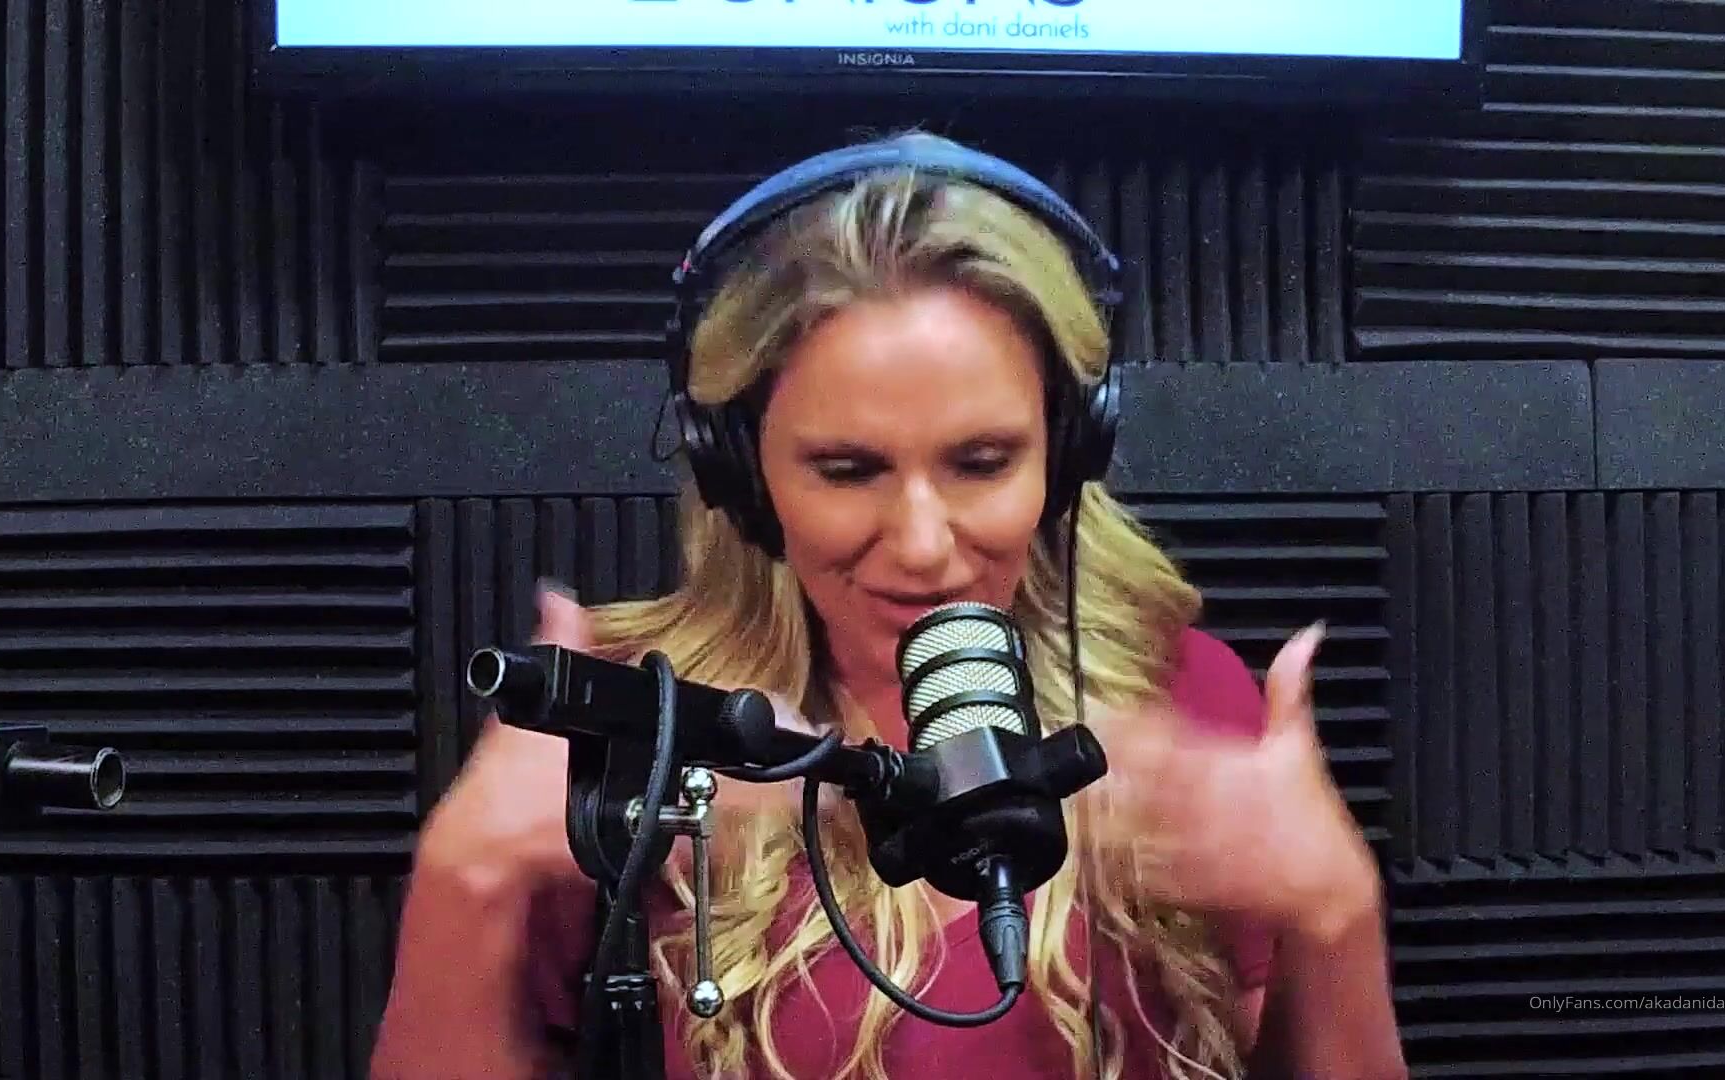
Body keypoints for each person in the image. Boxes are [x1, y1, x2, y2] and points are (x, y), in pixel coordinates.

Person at [370, 133, 1407, 1080]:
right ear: (739, 473)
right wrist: (471, 878)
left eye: (982, 462)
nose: (922, 544)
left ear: (1068, 452)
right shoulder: (626, 735)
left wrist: (1332, 916)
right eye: (848, 469)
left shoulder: (1180, 701)